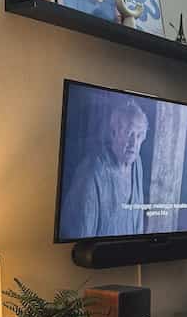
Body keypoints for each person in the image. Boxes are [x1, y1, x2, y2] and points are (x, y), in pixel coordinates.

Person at [61, 98, 148, 238]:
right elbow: (81, 235)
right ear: (113, 133)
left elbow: (138, 224)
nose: (134, 143)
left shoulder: (136, 163)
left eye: (139, 136)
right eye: (129, 133)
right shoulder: (92, 172)